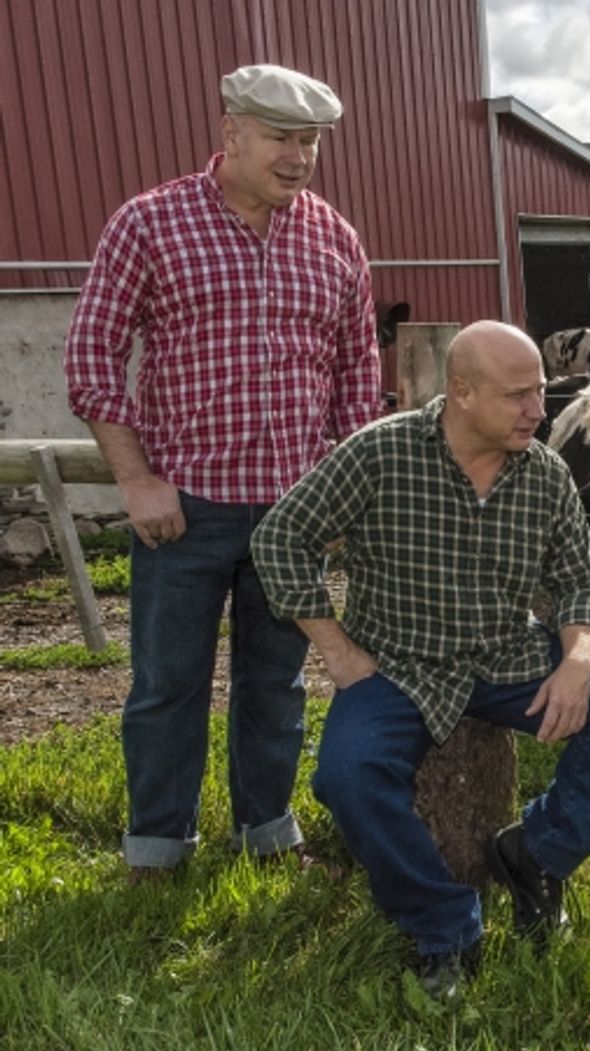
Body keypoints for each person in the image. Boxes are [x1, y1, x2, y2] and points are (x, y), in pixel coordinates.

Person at [250, 320, 590, 1001]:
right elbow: (280, 538)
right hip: (399, 665)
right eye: (518, 396)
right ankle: (443, 924)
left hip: (508, 653)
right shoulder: (380, 453)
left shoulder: (546, 473)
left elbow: (582, 581)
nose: (538, 410)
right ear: (461, 392)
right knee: (347, 776)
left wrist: (580, 659)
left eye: (539, 391)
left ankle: (535, 855)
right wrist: (336, 650)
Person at [64, 64, 383, 882]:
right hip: (186, 506)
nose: (299, 156)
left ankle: (267, 836)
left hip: (294, 513)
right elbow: (92, 355)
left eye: (310, 141)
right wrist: (136, 479)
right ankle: (156, 852)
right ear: (231, 132)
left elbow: (355, 374)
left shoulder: (334, 238)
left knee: (274, 685)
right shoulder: (150, 223)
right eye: (281, 137)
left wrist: (346, 494)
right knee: (168, 686)